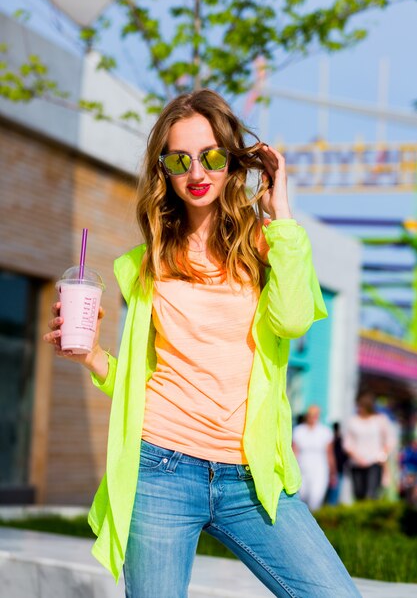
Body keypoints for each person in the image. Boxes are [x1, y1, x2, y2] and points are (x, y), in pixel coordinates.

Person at [44, 90, 361, 598]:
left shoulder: (265, 246)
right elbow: (138, 385)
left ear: (232, 162)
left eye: (212, 156)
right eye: (180, 159)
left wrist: (281, 214)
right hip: (161, 469)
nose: (197, 172)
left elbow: (294, 319)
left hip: (250, 479)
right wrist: (90, 355)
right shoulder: (143, 266)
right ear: (164, 170)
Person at [343, 393, 395, 501]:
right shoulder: (353, 421)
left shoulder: (380, 420)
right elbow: (347, 443)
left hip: (374, 461)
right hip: (357, 462)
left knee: (371, 493)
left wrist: (383, 454)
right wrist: (356, 457)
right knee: (359, 493)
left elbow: (390, 439)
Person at [292, 405, 337, 510]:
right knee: (302, 498)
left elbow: (329, 454)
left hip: (320, 470)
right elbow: (294, 452)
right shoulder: (298, 431)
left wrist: (333, 472)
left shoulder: (325, 432)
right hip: (302, 469)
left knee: (315, 499)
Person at [327, 422, 348, 505]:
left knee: (333, 491)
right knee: (335, 491)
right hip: (337, 469)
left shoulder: (335, 440)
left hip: (336, 469)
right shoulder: (338, 440)